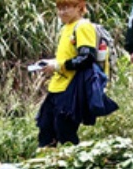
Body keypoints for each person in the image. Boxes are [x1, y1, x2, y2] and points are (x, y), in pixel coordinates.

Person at [31, 0, 100, 147]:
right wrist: (50, 62)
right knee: (46, 128)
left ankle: (73, 165)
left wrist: (57, 66)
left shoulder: (83, 26)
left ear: (79, 7)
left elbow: (87, 57)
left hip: (72, 87)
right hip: (57, 87)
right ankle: (47, 166)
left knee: (65, 132)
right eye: (59, 8)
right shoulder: (66, 28)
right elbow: (67, 57)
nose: (62, 11)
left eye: (66, 7)